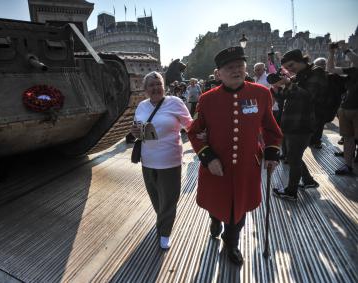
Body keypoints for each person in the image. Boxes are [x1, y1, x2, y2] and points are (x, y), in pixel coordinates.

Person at [188, 46, 282, 265]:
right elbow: (194, 131)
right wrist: (208, 158)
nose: (236, 70)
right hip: (216, 166)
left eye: (240, 66)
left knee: (238, 210)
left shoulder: (260, 94)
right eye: (230, 67)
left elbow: (271, 129)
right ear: (218, 73)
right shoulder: (207, 99)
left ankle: (232, 243)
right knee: (216, 203)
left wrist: (271, 152)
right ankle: (214, 219)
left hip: (246, 168)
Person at [130, 71, 192, 250]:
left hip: (170, 160)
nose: (156, 88)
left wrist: (203, 143)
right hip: (147, 160)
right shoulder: (141, 106)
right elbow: (138, 127)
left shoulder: (175, 103)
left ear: (164, 87)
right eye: (151, 85)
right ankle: (163, 219)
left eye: (159, 84)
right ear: (145, 89)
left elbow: (190, 125)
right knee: (156, 197)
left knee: (169, 199)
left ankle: (164, 232)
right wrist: (135, 133)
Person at [273, 49, 325, 201]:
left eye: (291, 65)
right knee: (293, 155)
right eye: (287, 68)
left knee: (294, 158)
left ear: (301, 60)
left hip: (303, 123)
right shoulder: (299, 76)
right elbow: (285, 97)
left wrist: (289, 82)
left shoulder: (317, 72)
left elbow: (309, 96)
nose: (290, 69)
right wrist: (276, 88)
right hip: (291, 122)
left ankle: (291, 191)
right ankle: (308, 181)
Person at [327, 44, 358, 175]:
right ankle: (348, 165)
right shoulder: (352, 71)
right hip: (346, 108)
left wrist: (345, 48)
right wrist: (332, 53)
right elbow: (331, 69)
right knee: (348, 138)